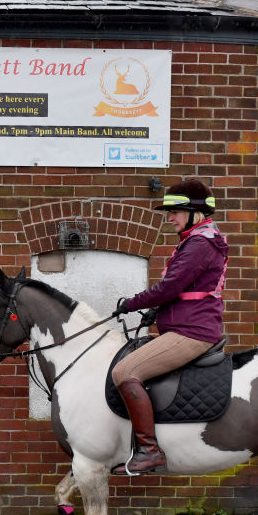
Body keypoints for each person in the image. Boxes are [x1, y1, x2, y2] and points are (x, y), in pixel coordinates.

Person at [109, 179, 229, 475]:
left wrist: (131, 303)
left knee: (124, 372)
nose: (170, 217)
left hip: (192, 333)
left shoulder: (200, 244)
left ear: (194, 213)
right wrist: (155, 312)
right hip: (184, 326)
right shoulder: (196, 241)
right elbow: (183, 290)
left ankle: (150, 451)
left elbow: (169, 287)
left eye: (175, 211)